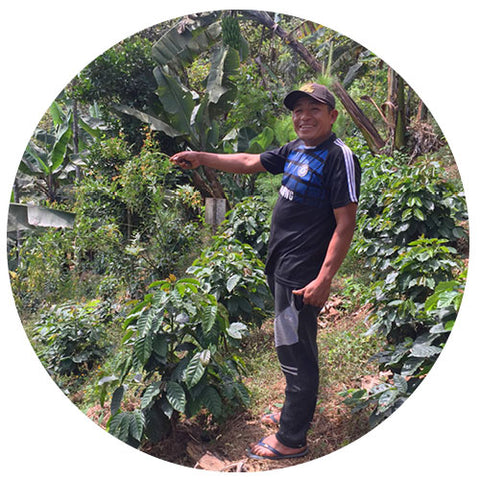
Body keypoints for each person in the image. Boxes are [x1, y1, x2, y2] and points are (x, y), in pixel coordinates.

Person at [170, 83, 361, 460]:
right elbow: (248, 162)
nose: (303, 116)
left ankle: (291, 437)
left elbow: (345, 224)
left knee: (295, 349)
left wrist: (324, 279)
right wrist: (202, 157)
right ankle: (294, 407)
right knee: (288, 343)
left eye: (314, 109)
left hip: (303, 272)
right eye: (297, 110)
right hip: (283, 264)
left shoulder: (339, 157)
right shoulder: (295, 150)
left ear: (333, 115)